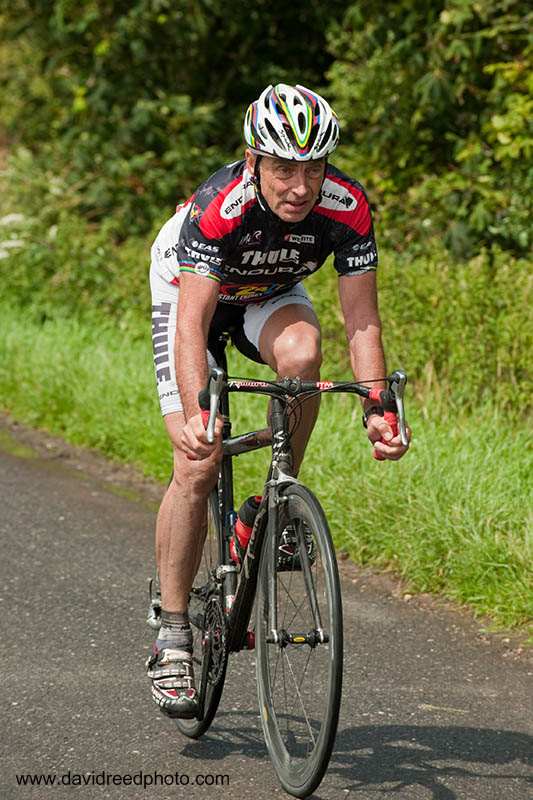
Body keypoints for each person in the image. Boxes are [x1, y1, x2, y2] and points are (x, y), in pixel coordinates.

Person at [146, 83, 410, 718]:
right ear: (253, 160)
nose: (300, 186)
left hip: (268, 291)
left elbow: (362, 322)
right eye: (284, 168)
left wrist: (379, 405)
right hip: (190, 295)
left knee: (304, 357)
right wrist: (195, 408)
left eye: (313, 168)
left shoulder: (346, 208)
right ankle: (174, 631)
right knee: (197, 462)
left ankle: (271, 501)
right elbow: (192, 327)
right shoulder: (220, 206)